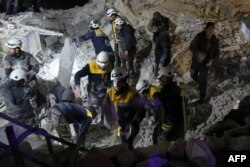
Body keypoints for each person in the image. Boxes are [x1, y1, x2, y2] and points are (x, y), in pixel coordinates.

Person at [104, 67, 146, 149]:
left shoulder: (133, 94)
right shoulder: (110, 92)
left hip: (130, 124)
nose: (116, 84)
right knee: (123, 143)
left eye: (119, 81)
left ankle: (130, 153)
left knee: (127, 144)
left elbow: (141, 111)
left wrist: (134, 123)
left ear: (124, 81)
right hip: (121, 124)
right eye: (114, 81)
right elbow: (106, 105)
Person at [74, 51, 112, 127]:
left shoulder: (110, 66)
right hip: (94, 94)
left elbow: (111, 79)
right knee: (92, 110)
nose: (102, 67)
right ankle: (87, 124)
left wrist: (111, 86)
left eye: (104, 66)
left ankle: (105, 125)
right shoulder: (91, 66)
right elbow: (77, 75)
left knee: (106, 110)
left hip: (105, 93)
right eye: (101, 66)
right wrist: (77, 86)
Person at [190, 22, 220, 104]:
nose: (211, 31)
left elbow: (217, 53)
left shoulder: (215, 41)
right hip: (197, 60)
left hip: (206, 63)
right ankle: (199, 83)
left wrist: (212, 60)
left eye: (213, 29)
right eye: (210, 29)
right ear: (206, 29)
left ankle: (201, 99)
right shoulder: (199, 37)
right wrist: (198, 53)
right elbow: (192, 46)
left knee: (203, 80)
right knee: (192, 74)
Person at [156, 66, 186, 143]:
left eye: (160, 80)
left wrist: (163, 133)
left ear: (164, 79)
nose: (159, 82)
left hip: (171, 136)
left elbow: (170, 117)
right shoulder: (175, 89)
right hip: (178, 130)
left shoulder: (170, 95)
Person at [135, 79, 163, 144]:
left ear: (144, 90)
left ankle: (156, 145)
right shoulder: (149, 90)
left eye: (141, 93)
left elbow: (159, 109)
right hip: (156, 106)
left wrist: (156, 121)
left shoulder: (155, 94)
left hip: (162, 110)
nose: (141, 94)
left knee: (155, 133)